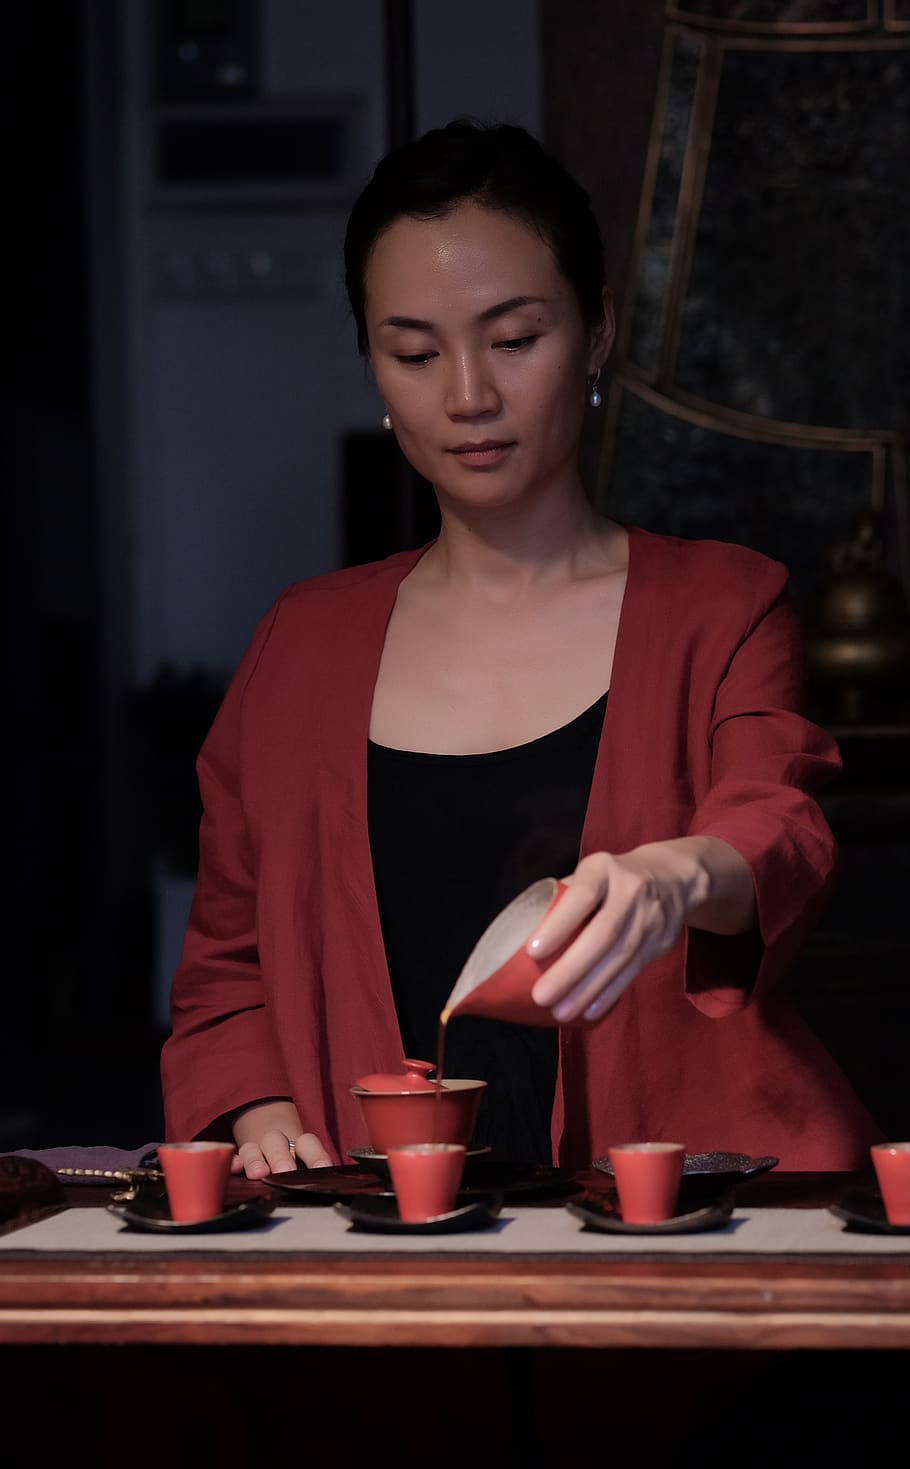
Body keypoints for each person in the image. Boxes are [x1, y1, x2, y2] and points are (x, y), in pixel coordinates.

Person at [160, 117, 883, 1182]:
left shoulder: (720, 604)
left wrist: (678, 874)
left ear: (594, 334)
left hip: (673, 1216)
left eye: (512, 338)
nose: (466, 396)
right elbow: (226, 965)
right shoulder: (300, 644)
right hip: (376, 1228)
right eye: (413, 351)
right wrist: (256, 1101)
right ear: (372, 363)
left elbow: (778, 821)